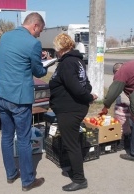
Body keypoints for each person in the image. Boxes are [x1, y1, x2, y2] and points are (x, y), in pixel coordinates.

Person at [0, 12, 47, 191]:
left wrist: (38, 57)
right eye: (40, 31)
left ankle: (11, 174)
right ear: (35, 26)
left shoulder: (6, 36)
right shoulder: (33, 43)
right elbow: (38, 72)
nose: (39, 35)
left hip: (1, 94)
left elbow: (15, 59)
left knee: (6, 136)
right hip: (19, 98)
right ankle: (28, 180)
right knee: (23, 139)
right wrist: (44, 65)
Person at [49, 33, 98, 191]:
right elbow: (86, 84)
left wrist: (87, 97)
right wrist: (88, 95)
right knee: (72, 142)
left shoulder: (68, 63)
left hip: (70, 110)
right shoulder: (77, 61)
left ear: (59, 48)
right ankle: (74, 168)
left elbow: (77, 88)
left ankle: (79, 179)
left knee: (72, 145)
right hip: (72, 108)